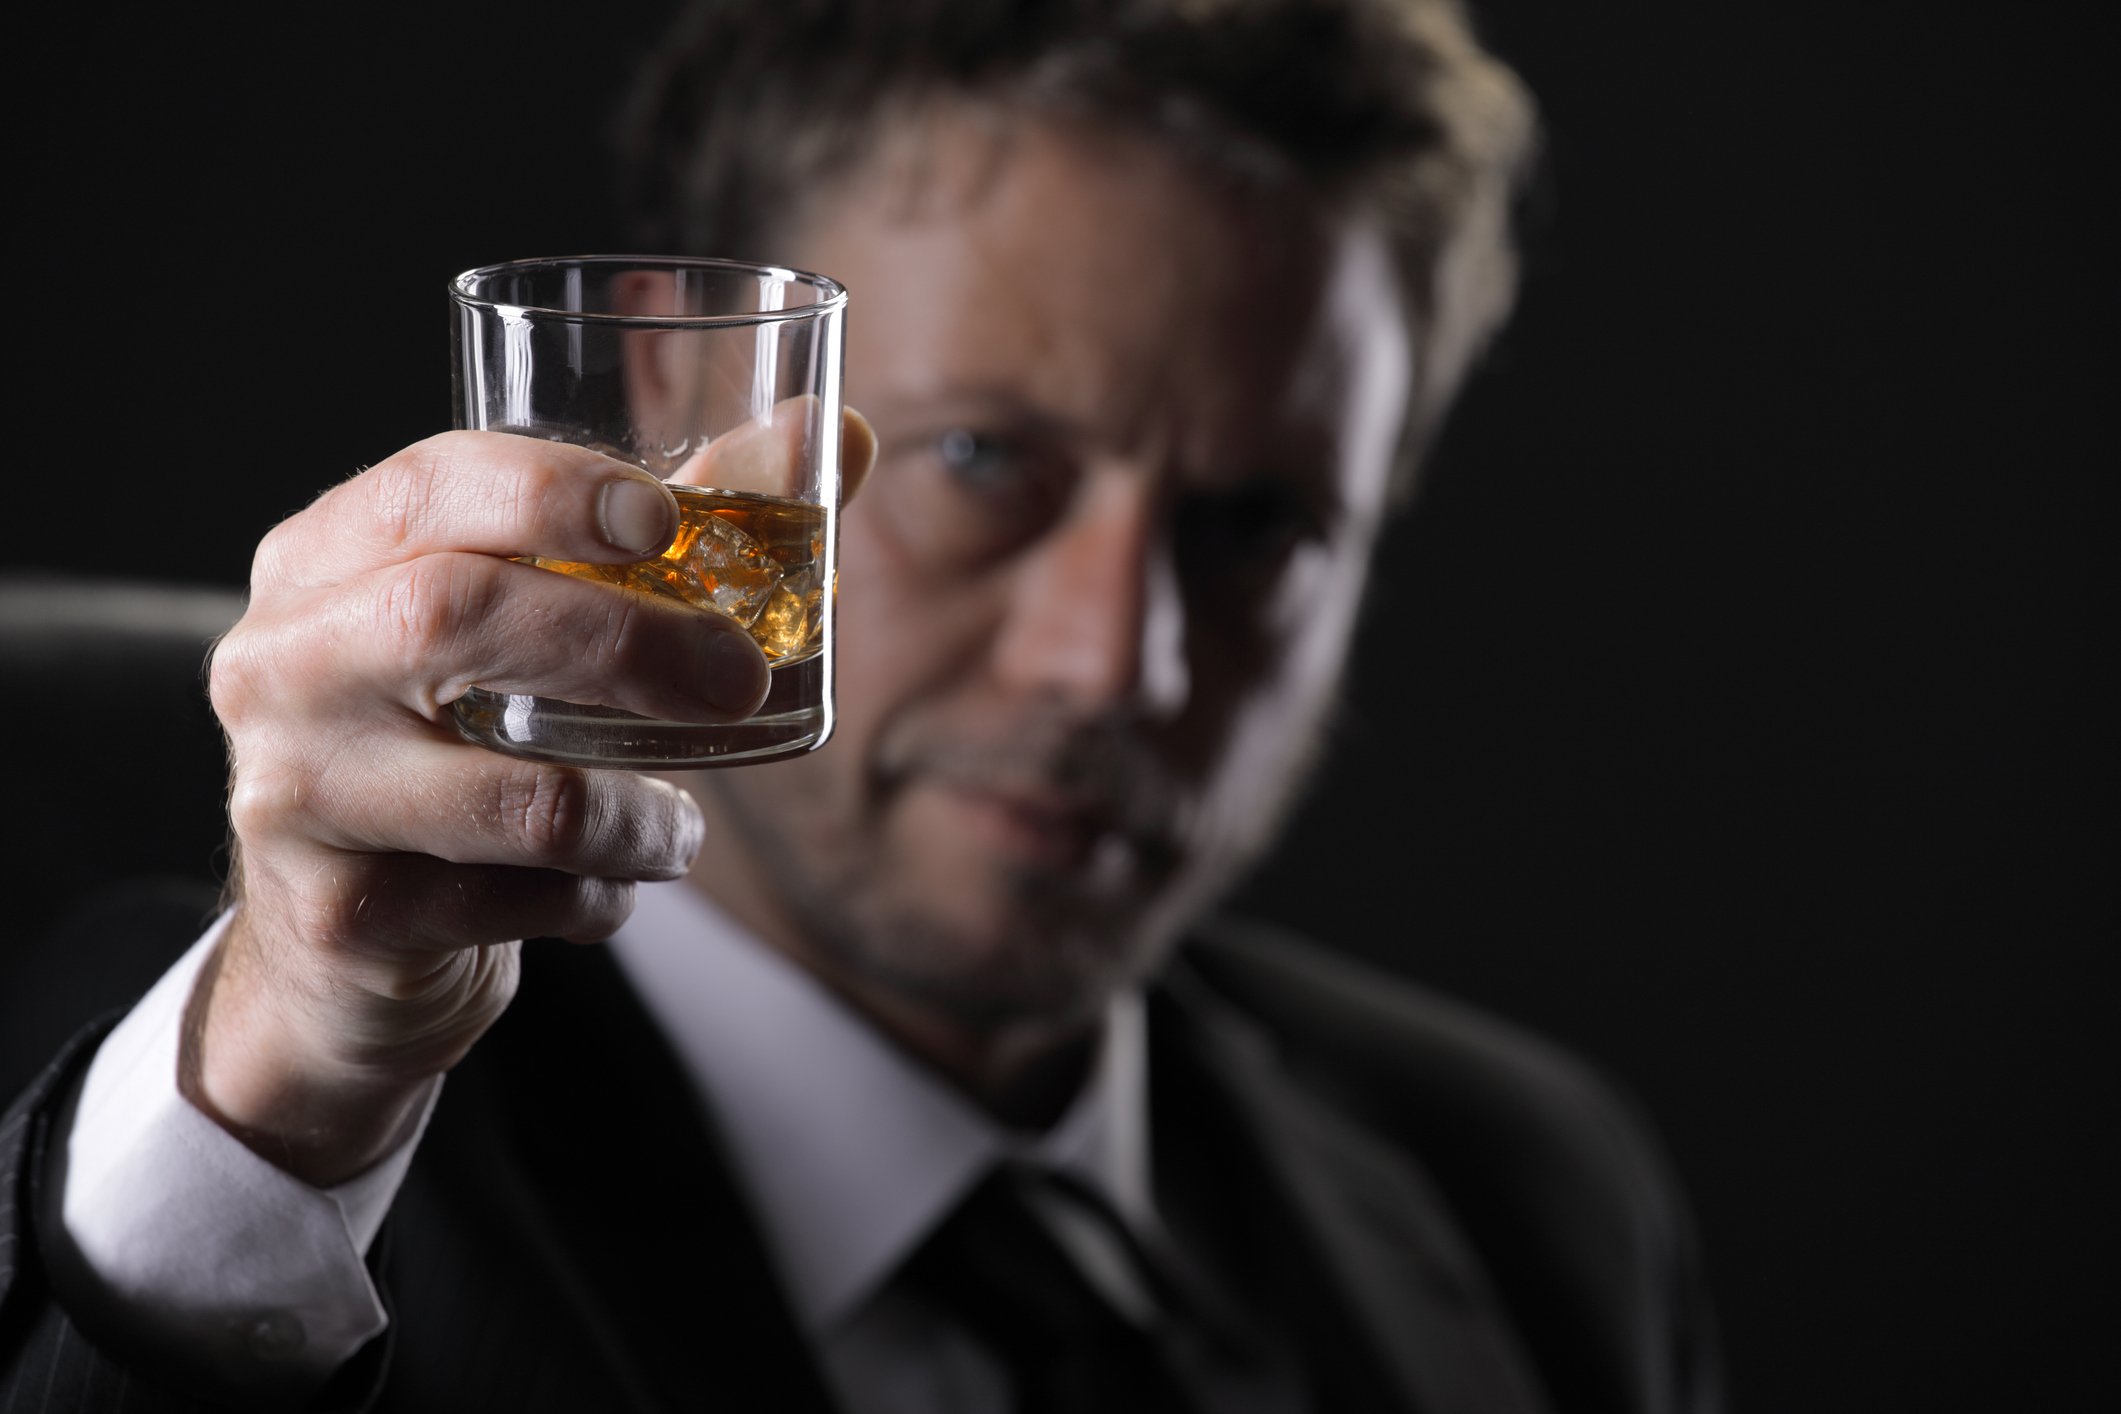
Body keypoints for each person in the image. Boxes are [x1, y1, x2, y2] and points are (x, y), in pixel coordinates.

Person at [1, 1, 1723, 1410]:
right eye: (982, 459)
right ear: (680, 394)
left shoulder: (1535, 1198)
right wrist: (279, 1075)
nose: (1116, 660)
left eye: (1256, 524)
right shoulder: (271, 1108)